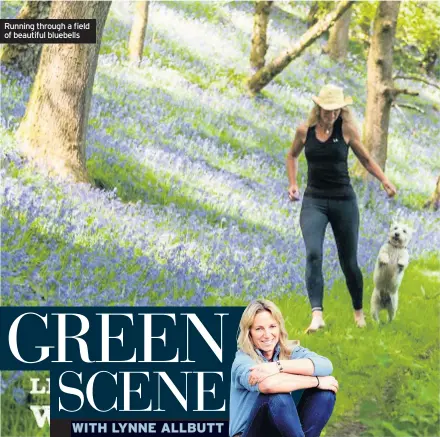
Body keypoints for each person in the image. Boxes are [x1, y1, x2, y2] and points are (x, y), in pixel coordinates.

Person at [286, 84, 397, 333]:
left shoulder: (346, 130)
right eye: (328, 110)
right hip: (314, 201)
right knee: (313, 254)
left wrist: (384, 180)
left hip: (344, 202)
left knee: (349, 262)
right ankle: (317, 316)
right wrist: (292, 183)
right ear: (319, 108)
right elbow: (291, 156)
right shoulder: (305, 132)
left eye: (337, 110)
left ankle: (358, 311)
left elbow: (366, 159)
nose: (332, 114)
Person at [229, 299, 338, 437]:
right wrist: (317, 381)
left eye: (272, 326)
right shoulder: (242, 360)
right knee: (277, 396)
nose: (267, 334)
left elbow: (325, 365)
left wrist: (277, 366)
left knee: (324, 394)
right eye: (259, 329)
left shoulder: (289, 351)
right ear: (249, 332)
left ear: (279, 328)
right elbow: (268, 385)